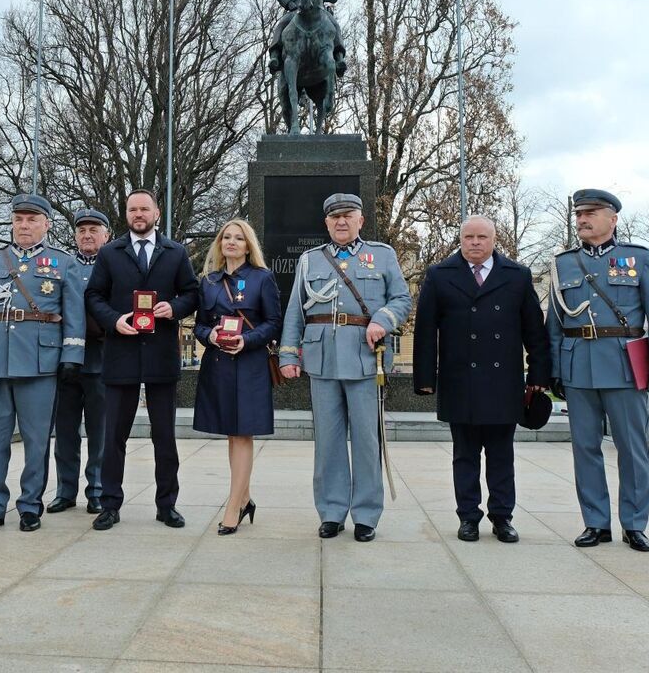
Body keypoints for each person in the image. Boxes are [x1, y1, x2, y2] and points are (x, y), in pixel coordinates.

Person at [546, 189, 649, 552]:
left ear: (612, 219)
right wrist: (555, 367)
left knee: (632, 448)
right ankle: (596, 522)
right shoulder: (563, 264)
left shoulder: (638, 258)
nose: (582, 220)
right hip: (577, 365)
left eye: (591, 213)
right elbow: (554, 321)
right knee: (585, 448)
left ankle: (634, 524)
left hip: (623, 364)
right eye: (579, 214)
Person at [279, 193, 411, 542]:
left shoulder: (382, 256)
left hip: (365, 357)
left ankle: (366, 514)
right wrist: (289, 355)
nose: (341, 221)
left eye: (348, 215)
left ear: (360, 220)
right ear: (326, 223)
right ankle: (332, 511)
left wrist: (383, 319)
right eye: (334, 216)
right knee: (328, 441)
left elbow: (402, 298)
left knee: (367, 441)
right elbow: (295, 310)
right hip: (322, 359)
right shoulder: (310, 260)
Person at [413, 216, 551, 543]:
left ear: (493, 240)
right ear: (460, 239)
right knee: (465, 454)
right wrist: (424, 378)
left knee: (502, 454)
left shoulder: (517, 276)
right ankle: (468, 517)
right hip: (459, 380)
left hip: (503, 383)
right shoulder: (439, 275)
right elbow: (424, 331)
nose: (475, 243)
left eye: (482, 237)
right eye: (469, 237)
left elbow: (534, 330)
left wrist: (539, 375)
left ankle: (502, 517)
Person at [0, 194, 85, 534]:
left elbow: (74, 315)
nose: (24, 225)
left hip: (41, 362)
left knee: (36, 441)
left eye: (32, 219)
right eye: (19, 219)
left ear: (46, 224)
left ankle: (30, 505)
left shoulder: (61, 263)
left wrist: (72, 357)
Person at [85, 189, 200, 531]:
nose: (138, 214)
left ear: (156, 213)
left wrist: (175, 308)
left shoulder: (176, 252)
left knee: (164, 436)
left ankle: (167, 505)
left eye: (144, 209)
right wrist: (113, 320)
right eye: (132, 209)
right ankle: (110, 505)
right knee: (114, 437)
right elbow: (93, 295)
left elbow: (192, 292)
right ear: (126, 214)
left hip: (162, 354)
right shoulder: (109, 253)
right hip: (121, 353)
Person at [193, 219, 281, 535]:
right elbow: (199, 325)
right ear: (219, 244)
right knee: (232, 433)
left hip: (250, 364)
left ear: (248, 245)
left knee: (244, 433)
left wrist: (247, 340)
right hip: (218, 364)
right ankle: (244, 499)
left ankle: (233, 506)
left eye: (238, 238)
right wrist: (211, 335)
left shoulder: (262, 278)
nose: (231, 242)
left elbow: (273, 323)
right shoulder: (208, 281)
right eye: (226, 237)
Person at [47, 208, 111, 515]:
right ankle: (65, 490)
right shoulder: (62, 266)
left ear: (106, 235)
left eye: (93, 230)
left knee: (99, 433)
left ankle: (96, 489)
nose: (87, 235)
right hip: (65, 363)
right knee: (66, 432)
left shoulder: (114, 265)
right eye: (82, 230)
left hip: (101, 361)